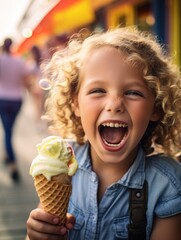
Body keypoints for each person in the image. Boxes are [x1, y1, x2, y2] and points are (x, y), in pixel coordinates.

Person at [26, 26, 181, 240]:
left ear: (155, 107)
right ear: (75, 102)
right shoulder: (60, 164)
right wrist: (36, 234)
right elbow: (45, 222)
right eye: (98, 90)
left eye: (133, 92)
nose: (115, 104)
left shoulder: (167, 184)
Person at [0, 38, 30, 181]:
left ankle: (13, 165)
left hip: (3, 99)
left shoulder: (1, 60)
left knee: (7, 132)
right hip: (17, 99)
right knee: (9, 130)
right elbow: (25, 80)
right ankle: (7, 154)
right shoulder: (19, 61)